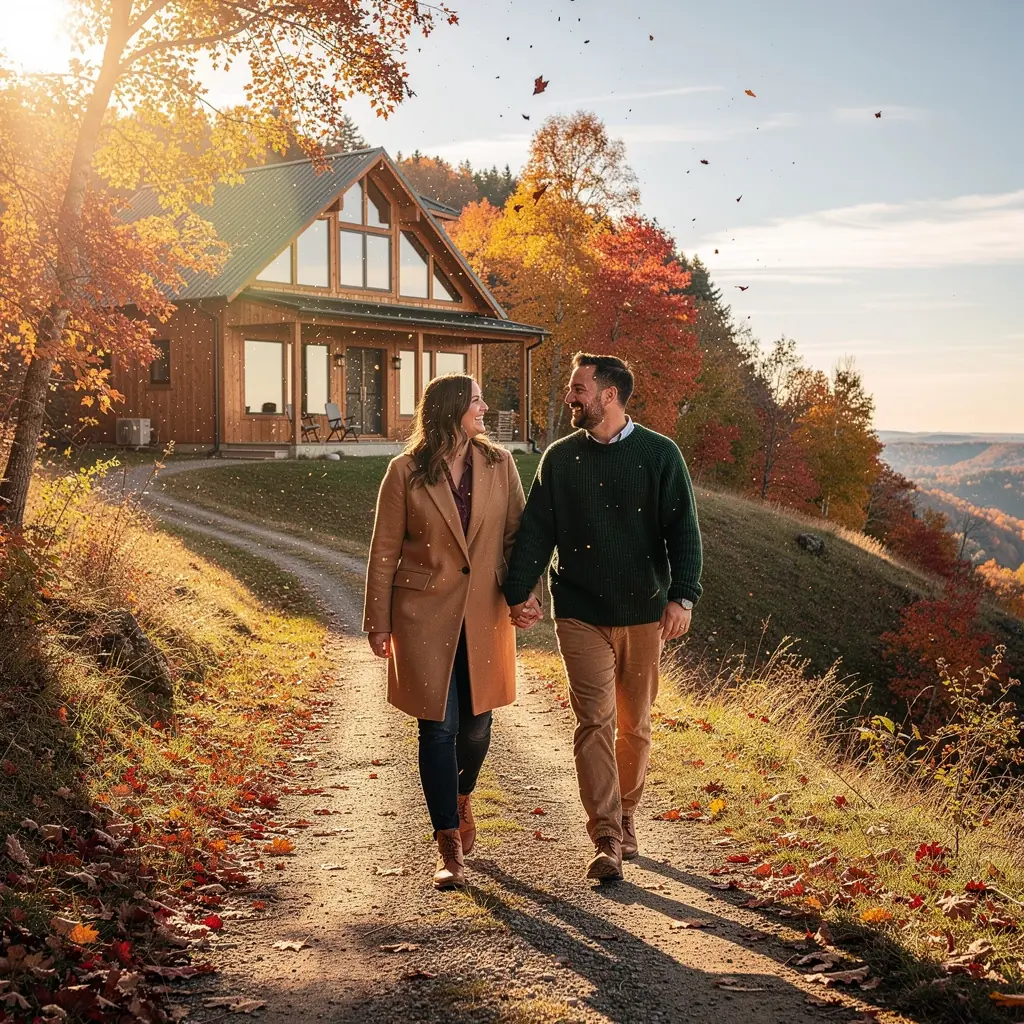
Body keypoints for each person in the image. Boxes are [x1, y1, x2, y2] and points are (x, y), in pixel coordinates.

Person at [504, 353, 703, 881]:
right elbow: (536, 532)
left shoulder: (660, 455)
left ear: (608, 395)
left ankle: (627, 812)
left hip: (642, 613)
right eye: (573, 388)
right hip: (580, 611)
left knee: (634, 724)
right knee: (595, 720)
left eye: (579, 389)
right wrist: (517, 592)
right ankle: (607, 836)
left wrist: (682, 596)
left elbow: (683, 532)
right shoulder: (560, 459)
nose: (572, 397)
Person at [364, 374, 538, 889]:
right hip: (422, 615)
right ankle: (448, 846)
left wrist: (527, 596)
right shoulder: (404, 472)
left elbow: (516, 539)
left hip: (484, 611)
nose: (485, 406)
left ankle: (462, 798)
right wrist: (378, 622)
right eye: (476, 399)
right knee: (436, 727)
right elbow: (384, 551)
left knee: (477, 725)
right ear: (450, 408)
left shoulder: (499, 464)